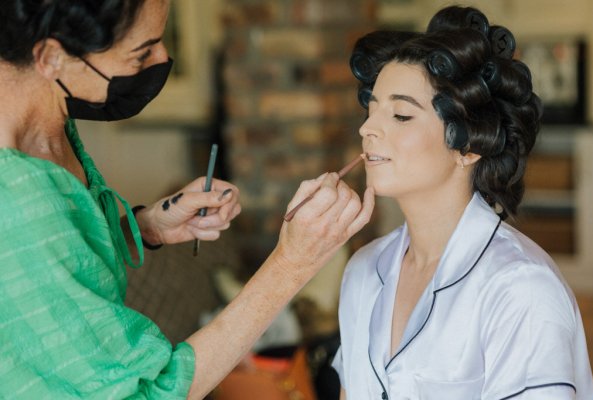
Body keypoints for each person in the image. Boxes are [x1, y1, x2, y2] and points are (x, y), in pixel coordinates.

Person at [0, 0, 374, 398]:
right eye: (141, 52)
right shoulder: (16, 198)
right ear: (52, 57)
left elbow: (61, 256)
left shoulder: (48, 124)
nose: (162, 60)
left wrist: (145, 227)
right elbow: (152, 391)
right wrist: (292, 265)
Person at [333, 5, 593, 400]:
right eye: (371, 110)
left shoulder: (520, 287)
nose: (367, 127)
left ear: (469, 146)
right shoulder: (362, 271)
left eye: (401, 114)